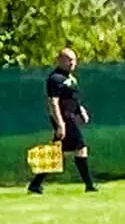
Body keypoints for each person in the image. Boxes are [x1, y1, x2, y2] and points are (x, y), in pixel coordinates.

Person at [30, 48, 96, 193]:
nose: (72, 63)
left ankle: (35, 184)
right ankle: (90, 185)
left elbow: (73, 98)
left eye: (74, 60)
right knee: (81, 148)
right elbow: (53, 102)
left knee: (57, 152)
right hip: (65, 118)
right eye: (68, 60)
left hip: (71, 117)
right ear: (60, 60)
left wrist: (81, 110)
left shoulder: (71, 78)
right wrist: (60, 124)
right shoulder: (55, 79)